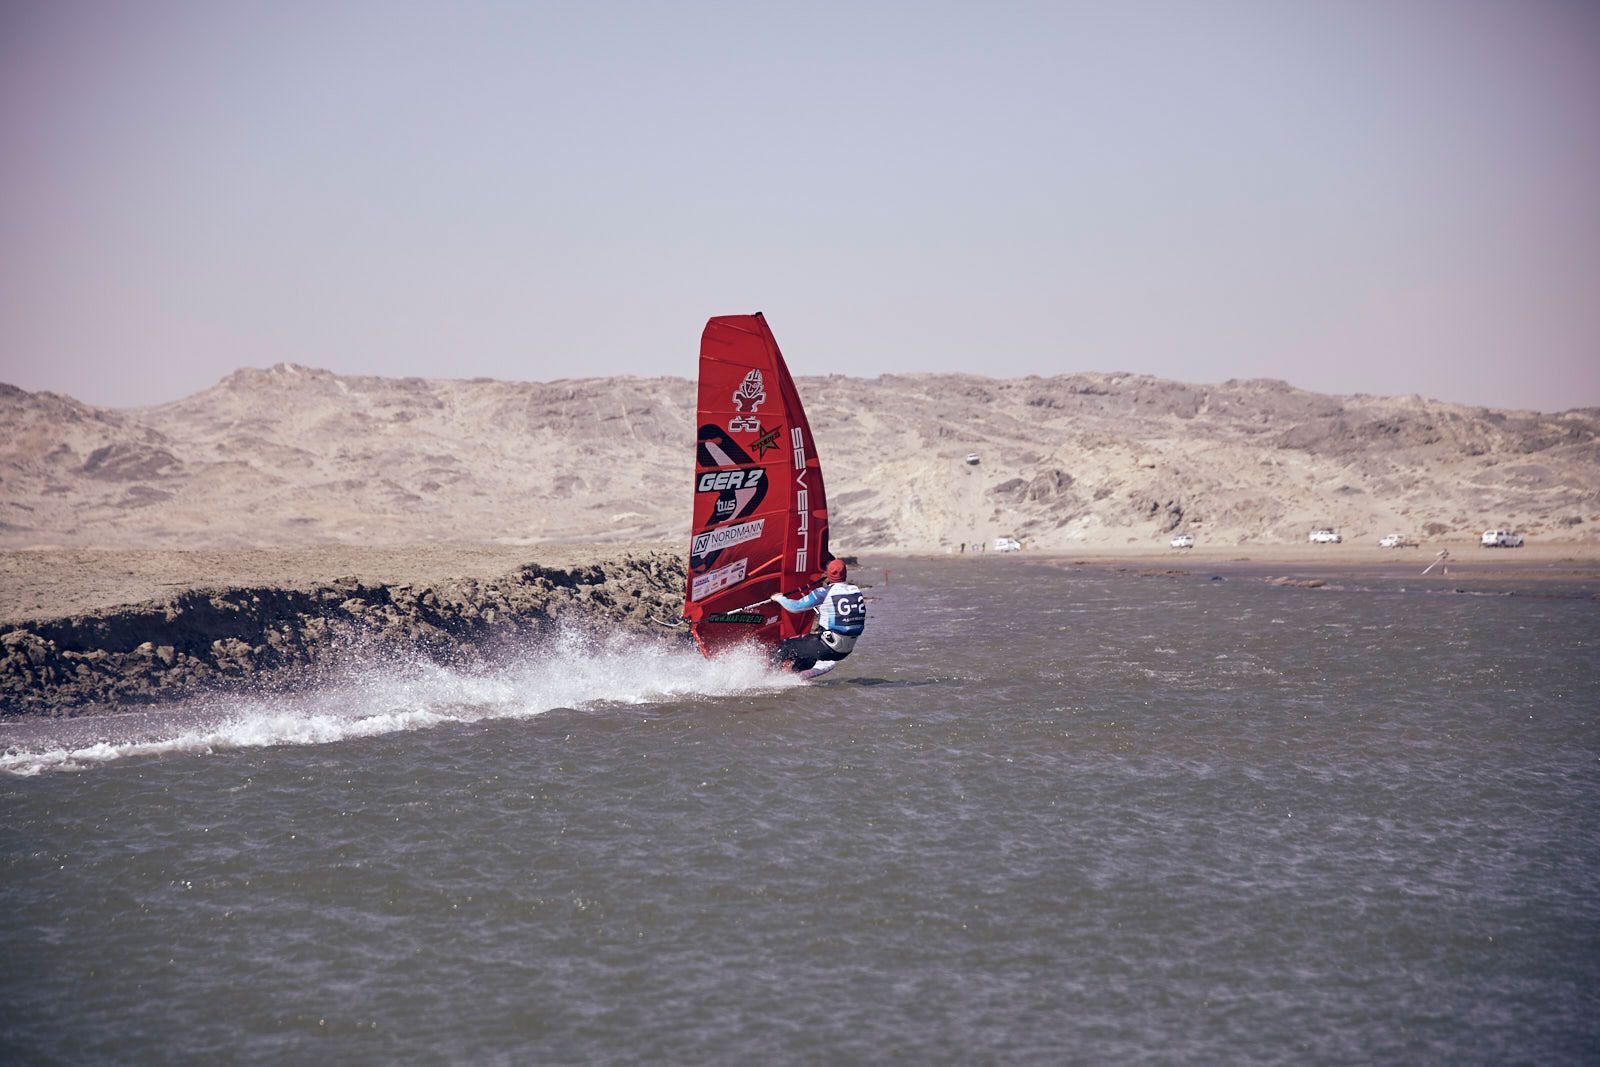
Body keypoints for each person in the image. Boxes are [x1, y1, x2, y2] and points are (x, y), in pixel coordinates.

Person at [769, 558, 866, 675]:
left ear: (828, 574)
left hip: (828, 648)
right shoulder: (855, 591)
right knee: (808, 650)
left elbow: (795, 607)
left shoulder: (823, 593)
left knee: (786, 645)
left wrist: (779, 598)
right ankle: (793, 675)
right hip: (846, 650)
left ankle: (767, 676)